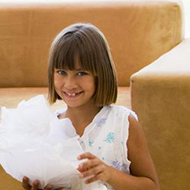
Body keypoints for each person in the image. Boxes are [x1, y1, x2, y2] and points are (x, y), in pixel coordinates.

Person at [22, 23, 159, 190]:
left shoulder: (123, 123)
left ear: (100, 74)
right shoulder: (49, 129)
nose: (70, 84)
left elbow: (152, 186)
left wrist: (110, 174)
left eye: (81, 73)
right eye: (61, 72)